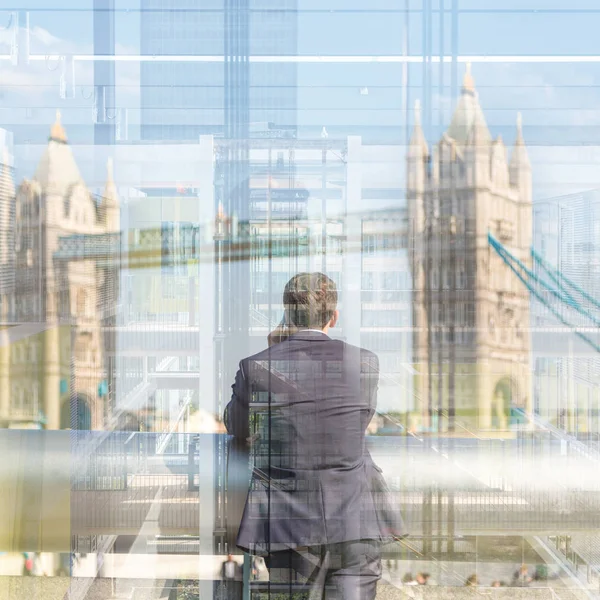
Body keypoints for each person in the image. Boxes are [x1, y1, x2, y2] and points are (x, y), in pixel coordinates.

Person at [224, 272, 407, 600]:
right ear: (333, 317)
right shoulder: (364, 362)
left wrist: (273, 351)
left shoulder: (258, 366)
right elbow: (357, 423)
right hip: (356, 521)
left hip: (288, 527)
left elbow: (237, 427)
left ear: (286, 315)